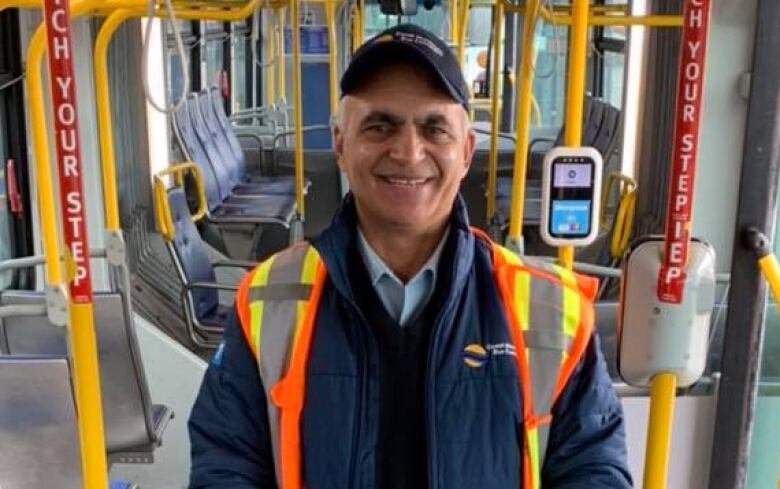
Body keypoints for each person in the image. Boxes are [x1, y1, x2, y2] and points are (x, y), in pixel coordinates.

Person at [188, 24, 632, 489]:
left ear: (465, 152)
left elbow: (592, 469)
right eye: (380, 125)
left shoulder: (551, 314)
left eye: (433, 127)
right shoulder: (267, 302)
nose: (407, 151)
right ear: (341, 145)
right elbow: (226, 463)